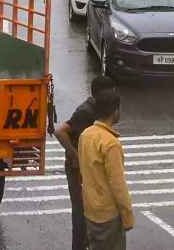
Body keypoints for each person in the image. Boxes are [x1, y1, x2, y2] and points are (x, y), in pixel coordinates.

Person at [53, 76, 118, 250]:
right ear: (101, 93)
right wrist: (75, 156)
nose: (115, 94)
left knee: (91, 211)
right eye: (112, 91)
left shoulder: (99, 109)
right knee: (81, 214)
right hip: (78, 171)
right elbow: (60, 131)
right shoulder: (86, 111)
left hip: (88, 170)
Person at [79, 91, 133, 250]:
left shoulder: (85, 135)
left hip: (90, 209)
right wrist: (128, 216)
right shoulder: (110, 144)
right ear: (115, 111)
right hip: (108, 214)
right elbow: (118, 185)